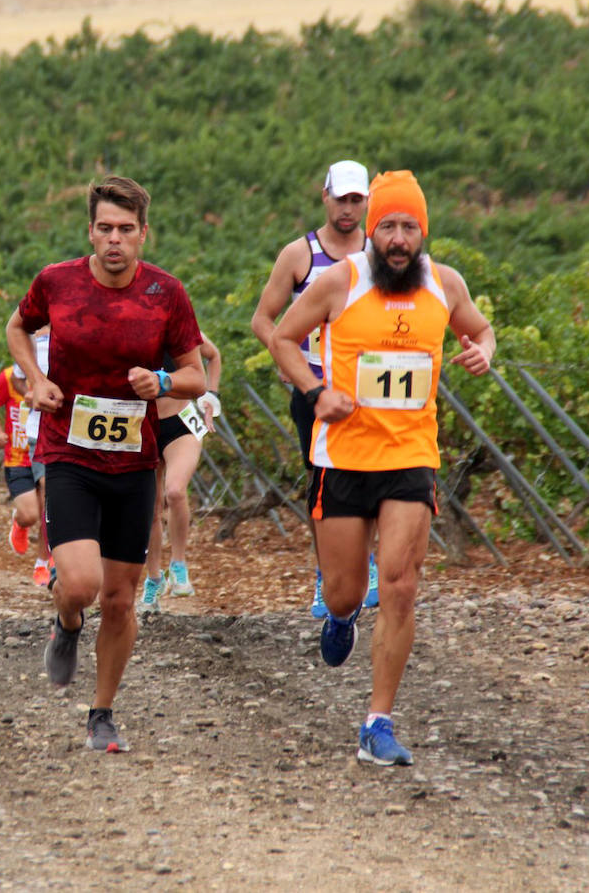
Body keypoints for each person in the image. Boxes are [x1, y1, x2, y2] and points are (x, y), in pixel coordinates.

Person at [269, 170, 495, 766]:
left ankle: (378, 721)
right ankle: (340, 615)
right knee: (346, 593)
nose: (399, 239)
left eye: (410, 227)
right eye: (388, 226)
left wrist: (482, 351)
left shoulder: (445, 285)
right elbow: (283, 340)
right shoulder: (340, 283)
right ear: (372, 231)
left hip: (411, 457)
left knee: (399, 585)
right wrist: (317, 391)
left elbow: (480, 328)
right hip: (343, 457)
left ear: (424, 232)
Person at [6, 175, 205, 754]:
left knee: (120, 600)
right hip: (68, 453)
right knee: (83, 585)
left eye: (125, 230)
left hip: (135, 463)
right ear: (90, 232)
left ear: (144, 234)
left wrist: (163, 379)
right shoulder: (56, 282)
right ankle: (67, 622)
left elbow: (194, 375)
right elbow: (19, 326)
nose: (113, 240)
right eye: (104, 229)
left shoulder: (166, 294)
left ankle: (102, 712)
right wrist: (38, 380)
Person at [251, 159, 378, 618]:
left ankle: (367, 564)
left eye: (356, 200)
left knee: (378, 473)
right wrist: (284, 358)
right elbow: (263, 319)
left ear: (367, 202)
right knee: (324, 480)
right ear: (324, 196)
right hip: (315, 387)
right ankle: (327, 576)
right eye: (340, 198)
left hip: (370, 385)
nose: (348, 209)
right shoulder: (299, 255)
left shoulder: (379, 252)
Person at [139, 335, 223, 611]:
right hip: (142, 427)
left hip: (181, 423)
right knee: (150, 509)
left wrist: (212, 395)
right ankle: (153, 579)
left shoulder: (181, 325)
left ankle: (179, 565)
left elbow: (213, 355)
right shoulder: (128, 322)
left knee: (175, 491)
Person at [0, 363, 40, 560]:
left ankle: (46, 563)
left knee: (50, 513)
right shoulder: (9, 377)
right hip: (18, 458)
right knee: (30, 515)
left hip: (46, 455)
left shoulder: (54, 374)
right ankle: (20, 522)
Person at [22, 326, 53, 587]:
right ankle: (43, 560)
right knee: (46, 492)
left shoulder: (81, 331)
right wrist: (30, 393)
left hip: (73, 431)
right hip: (38, 430)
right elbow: (18, 377)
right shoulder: (32, 336)